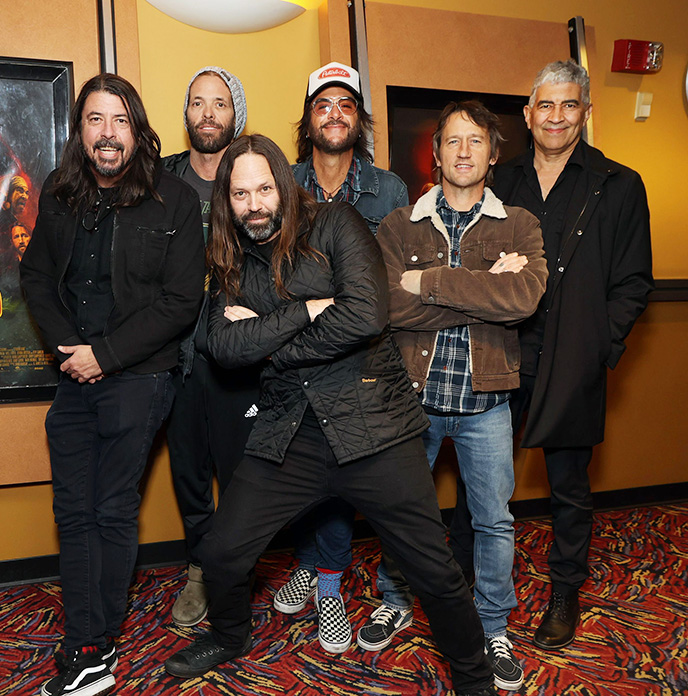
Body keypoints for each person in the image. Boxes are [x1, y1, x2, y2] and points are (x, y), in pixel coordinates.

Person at [162, 134, 497, 696]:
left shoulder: (337, 223)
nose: (254, 204)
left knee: (433, 572)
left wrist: (271, 342)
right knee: (221, 550)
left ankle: (474, 678)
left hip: (374, 424)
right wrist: (306, 310)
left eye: (264, 188)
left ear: (284, 185)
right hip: (289, 431)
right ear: (227, 201)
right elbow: (220, 345)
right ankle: (230, 633)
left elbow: (367, 315)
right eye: (240, 194)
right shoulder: (229, 255)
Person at [447, 60, 654, 651]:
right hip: (498, 355)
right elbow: (468, 263)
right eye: (546, 105)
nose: (556, 117)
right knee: (478, 485)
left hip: (571, 361)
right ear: (528, 112)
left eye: (569, 105)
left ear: (584, 113)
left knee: (569, 487)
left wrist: (598, 347)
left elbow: (633, 282)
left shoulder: (618, 184)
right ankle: (460, 580)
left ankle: (566, 591)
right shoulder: (500, 183)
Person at [19, 73, 204, 696]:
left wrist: (105, 355)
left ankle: (94, 645)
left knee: (110, 507)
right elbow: (37, 276)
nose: (108, 133)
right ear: (81, 131)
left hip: (141, 376)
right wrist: (72, 351)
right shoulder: (59, 191)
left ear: (138, 130)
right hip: (73, 373)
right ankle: (85, 635)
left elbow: (181, 302)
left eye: (120, 120)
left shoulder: (173, 200)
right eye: (96, 119)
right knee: (72, 511)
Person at [369, 101, 547, 691]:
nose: (464, 150)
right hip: (411, 400)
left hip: (487, 402)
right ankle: (394, 598)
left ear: (493, 154)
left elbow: (523, 300)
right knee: (404, 514)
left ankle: (492, 627)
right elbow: (390, 307)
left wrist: (434, 283)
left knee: (494, 521)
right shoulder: (400, 224)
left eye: (476, 141)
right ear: (437, 152)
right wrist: (485, 288)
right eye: (452, 140)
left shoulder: (519, 224)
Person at [272, 60, 410, 654]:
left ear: (360, 119)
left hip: (363, 358)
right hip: (296, 353)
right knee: (304, 474)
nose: (335, 114)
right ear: (308, 120)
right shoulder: (283, 182)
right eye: (323, 104)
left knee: (345, 474)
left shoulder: (390, 190)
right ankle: (316, 567)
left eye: (346, 105)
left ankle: (325, 581)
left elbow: (395, 279)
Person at [161, 66, 260, 628]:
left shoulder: (255, 177)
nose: (207, 114)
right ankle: (201, 568)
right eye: (197, 102)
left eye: (219, 103)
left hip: (241, 355)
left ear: (235, 114)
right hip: (176, 356)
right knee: (189, 472)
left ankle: (234, 570)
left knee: (242, 472)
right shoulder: (161, 178)